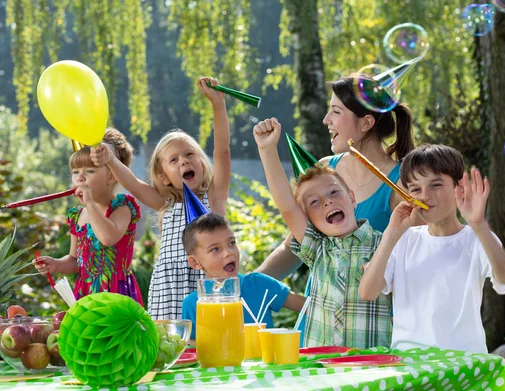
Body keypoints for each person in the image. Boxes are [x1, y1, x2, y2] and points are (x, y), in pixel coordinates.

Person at [257, 74, 415, 339]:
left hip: (370, 334)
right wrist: (249, 283)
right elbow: (293, 243)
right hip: (319, 329)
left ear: (365, 123)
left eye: (335, 112)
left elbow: (414, 266)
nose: (325, 120)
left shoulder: (402, 184)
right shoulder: (326, 169)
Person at [91, 77, 231, 319]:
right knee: (170, 347)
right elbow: (133, 184)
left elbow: (222, 151)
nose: (184, 161)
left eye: (189, 154)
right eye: (174, 160)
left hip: (207, 285)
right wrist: (111, 161)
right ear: (164, 177)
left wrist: (218, 105)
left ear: (201, 162)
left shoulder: (214, 197)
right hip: (167, 290)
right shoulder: (164, 204)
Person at [359, 144, 505, 353]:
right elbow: (367, 292)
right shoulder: (403, 240)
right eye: (415, 189)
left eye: (435, 185)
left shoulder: (477, 238)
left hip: (464, 365)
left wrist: (479, 225)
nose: (425, 195)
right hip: (411, 363)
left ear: (458, 187)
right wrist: (391, 233)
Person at [253, 117, 392, 349]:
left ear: (352, 197)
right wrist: (267, 150)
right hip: (320, 366)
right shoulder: (317, 247)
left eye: (334, 192)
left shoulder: (384, 244)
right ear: (307, 219)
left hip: (370, 366)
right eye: (314, 202)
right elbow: (286, 205)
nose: (327, 202)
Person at [34, 128, 144, 306]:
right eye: (75, 172)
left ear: (111, 176)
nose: (80, 177)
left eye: (90, 171)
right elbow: (75, 261)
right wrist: (55, 264)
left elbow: (108, 238)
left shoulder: (122, 206)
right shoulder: (78, 215)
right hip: (86, 295)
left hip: (117, 294)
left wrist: (90, 204)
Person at [180, 213, 305, 343]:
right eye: (215, 249)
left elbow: (311, 308)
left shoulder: (259, 284)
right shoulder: (192, 304)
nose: (229, 252)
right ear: (195, 262)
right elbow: (195, 348)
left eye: (232, 243)